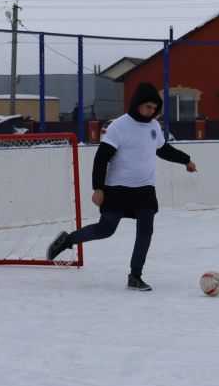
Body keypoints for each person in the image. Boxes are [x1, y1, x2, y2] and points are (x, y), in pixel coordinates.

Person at [46, 82, 196, 290]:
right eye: (147, 107)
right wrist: (98, 187)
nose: (151, 111)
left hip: (145, 188)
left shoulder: (153, 126)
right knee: (106, 229)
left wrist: (186, 160)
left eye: (154, 108)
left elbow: (162, 149)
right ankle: (67, 240)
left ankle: (135, 275)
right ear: (137, 104)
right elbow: (101, 158)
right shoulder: (119, 126)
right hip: (117, 188)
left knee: (146, 229)